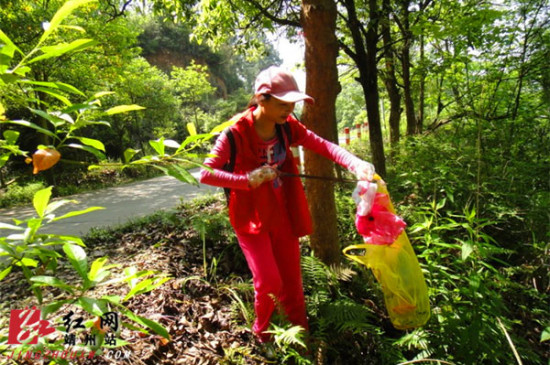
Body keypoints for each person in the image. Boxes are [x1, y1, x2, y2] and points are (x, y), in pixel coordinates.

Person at [199, 66, 375, 343]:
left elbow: (322, 145)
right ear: (261, 99)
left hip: (283, 213)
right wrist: (248, 180)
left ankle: (300, 338)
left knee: (292, 282)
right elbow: (205, 173)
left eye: (292, 104)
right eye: (282, 104)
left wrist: (355, 163)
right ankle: (264, 335)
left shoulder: (287, 127)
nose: (288, 110)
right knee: (269, 282)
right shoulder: (235, 133)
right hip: (250, 218)